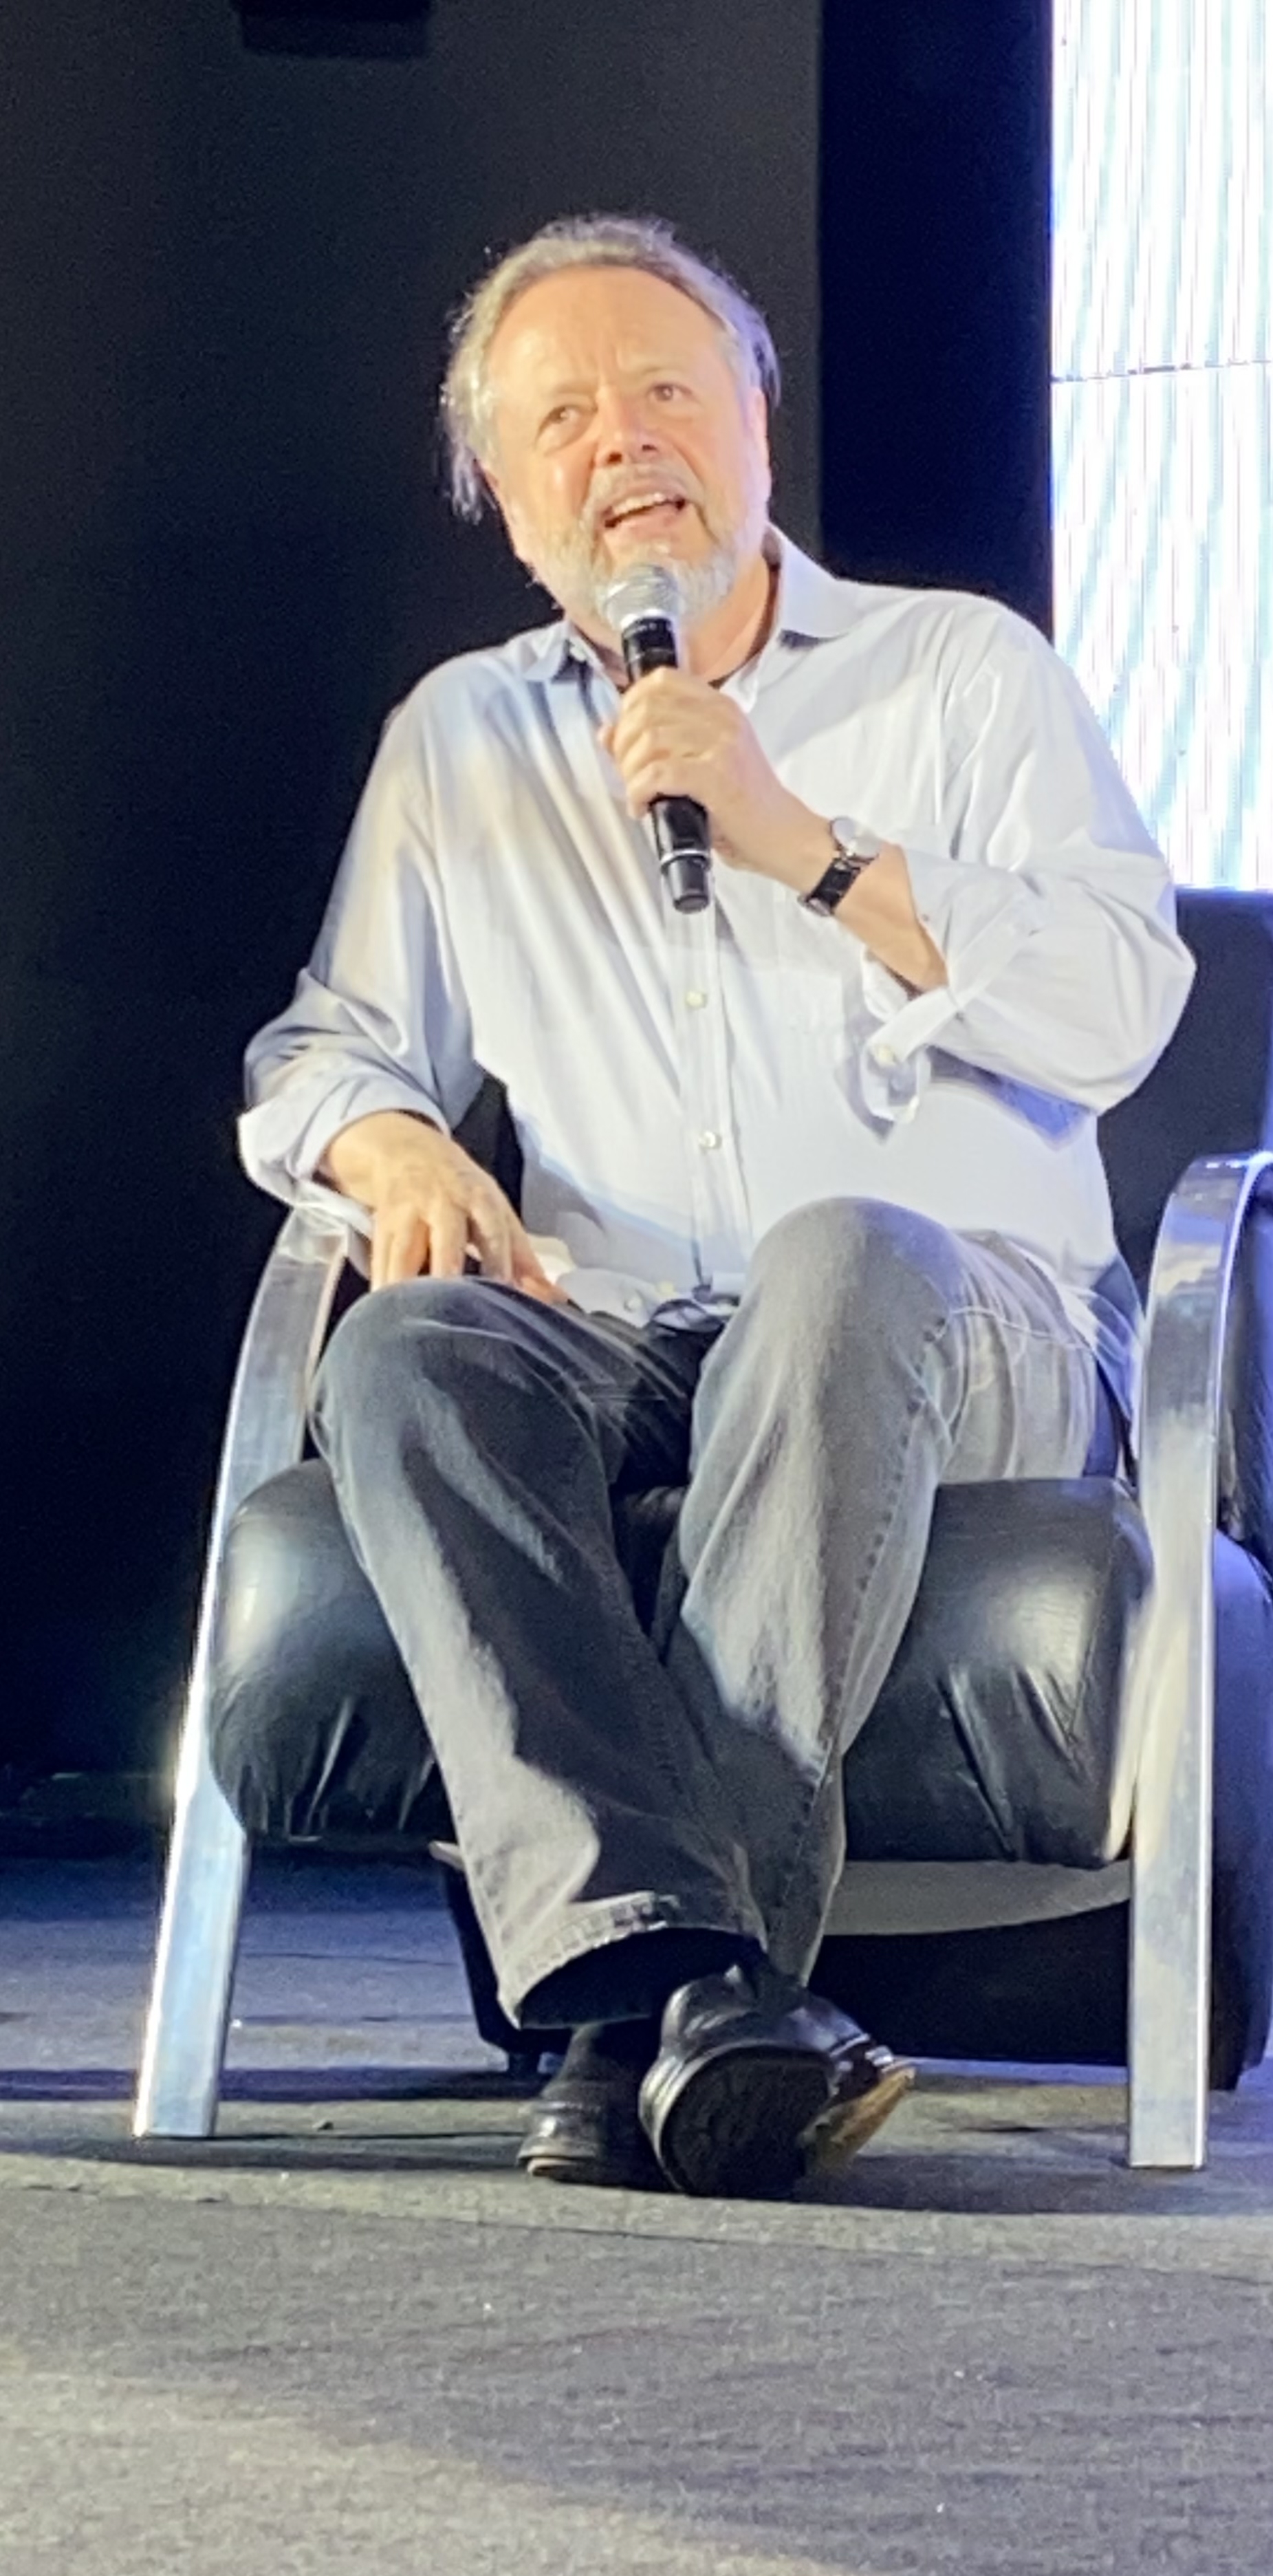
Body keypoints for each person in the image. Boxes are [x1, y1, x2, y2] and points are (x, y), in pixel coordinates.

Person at [240, 213, 1193, 2200]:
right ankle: (698, 1998)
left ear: (758, 421)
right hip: (627, 1336)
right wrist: (385, 1144)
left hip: (968, 1326)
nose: (625, 445)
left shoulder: (962, 670)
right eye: (563, 421)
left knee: (842, 1249)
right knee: (406, 1349)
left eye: (666, 391)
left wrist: (807, 846)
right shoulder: (459, 737)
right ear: (507, 504)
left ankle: (626, 2014)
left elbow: (1120, 1007)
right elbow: (325, 1045)